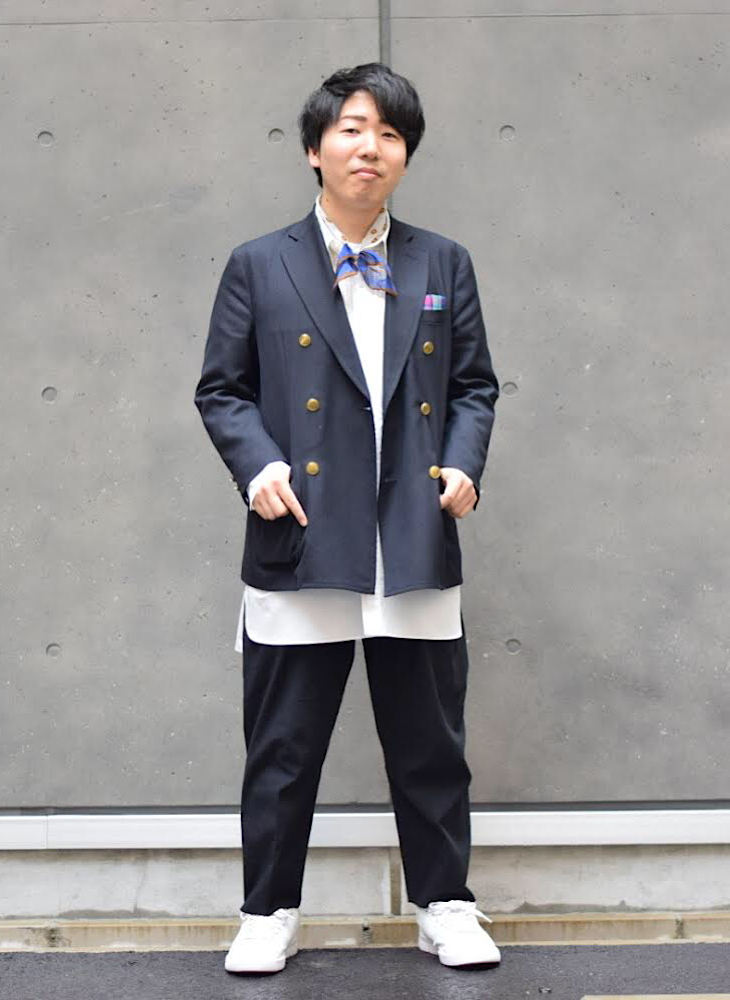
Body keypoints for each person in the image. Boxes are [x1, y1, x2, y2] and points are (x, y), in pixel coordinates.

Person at [194, 62, 500, 974]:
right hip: (302, 532)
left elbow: (474, 386)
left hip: (411, 532)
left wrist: (463, 463)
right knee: (282, 747)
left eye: (390, 134)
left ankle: (445, 905)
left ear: (405, 156)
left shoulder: (443, 261)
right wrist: (260, 467)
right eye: (353, 129)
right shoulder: (259, 262)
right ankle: (267, 911)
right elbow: (223, 389)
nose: (371, 147)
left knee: (430, 744)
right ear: (314, 149)